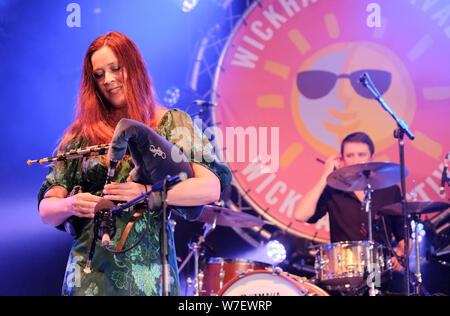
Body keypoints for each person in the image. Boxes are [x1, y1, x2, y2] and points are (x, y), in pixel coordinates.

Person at [38, 31, 232, 296]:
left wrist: (146, 196)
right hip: (89, 274)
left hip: (148, 274)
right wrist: (69, 204)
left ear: (134, 68)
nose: (108, 80)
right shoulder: (80, 134)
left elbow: (210, 188)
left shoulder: (170, 124)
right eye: (98, 74)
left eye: (116, 68)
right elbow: (47, 211)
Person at [294, 132, 411, 294]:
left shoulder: (389, 190)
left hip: (379, 270)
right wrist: (325, 176)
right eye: (350, 155)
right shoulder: (333, 189)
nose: (356, 160)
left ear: (371, 157)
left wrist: (399, 257)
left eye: (361, 155)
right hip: (342, 273)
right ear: (341, 159)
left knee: (390, 288)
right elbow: (301, 215)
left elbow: (404, 237)